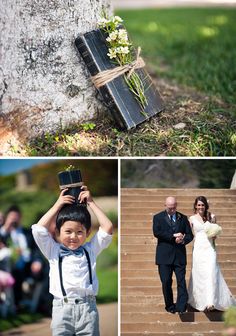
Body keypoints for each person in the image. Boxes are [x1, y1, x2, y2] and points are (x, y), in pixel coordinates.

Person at [32, 186, 113, 336]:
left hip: (88, 309)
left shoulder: (90, 249)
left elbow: (107, 227)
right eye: (68, 231)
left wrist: (92, 202)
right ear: (57, 232)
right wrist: (58, 204)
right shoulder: (53, 250)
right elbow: (38, 229)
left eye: (79, 232)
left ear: (88, 233)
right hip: (62, 309)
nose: (73, 236)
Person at [188, 196, 236, 311]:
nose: (201, 207)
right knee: (199, 274)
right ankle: (199, 301)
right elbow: (190, 235)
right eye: (199, 205)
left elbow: (214, 232)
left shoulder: (211, 216)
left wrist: (214, 235)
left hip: (210, 248)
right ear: (195, 206)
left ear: (206, 206)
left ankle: (210, 302)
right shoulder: (191, 219)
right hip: (199, 248)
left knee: (211, 273)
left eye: (203, 205)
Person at [153, 196, 193, 314]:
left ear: (176, 205)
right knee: (166, 281)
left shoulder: (183, 218)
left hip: (179, 256)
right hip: (164, 257)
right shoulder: (158, 217)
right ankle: (170, 306)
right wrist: (173, 236)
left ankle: (181, 307)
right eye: (170, 208)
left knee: (181, 281)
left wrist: (183, 240)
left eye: (174, 208)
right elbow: (157, 232)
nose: (172, 210)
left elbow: (190, 235)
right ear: (165, 205)